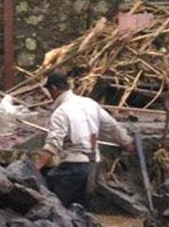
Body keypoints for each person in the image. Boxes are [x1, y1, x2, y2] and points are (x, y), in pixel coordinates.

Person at [35, 71, 135, 208]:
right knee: (81, 211)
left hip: (73, 167)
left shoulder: (61, 112)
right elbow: (112, 126)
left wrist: (37, 167)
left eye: (49, 90)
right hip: (94, 165)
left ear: (54, 89)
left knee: (53, 204)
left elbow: (53, 143)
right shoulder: (90, 103)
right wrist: (126, 142)